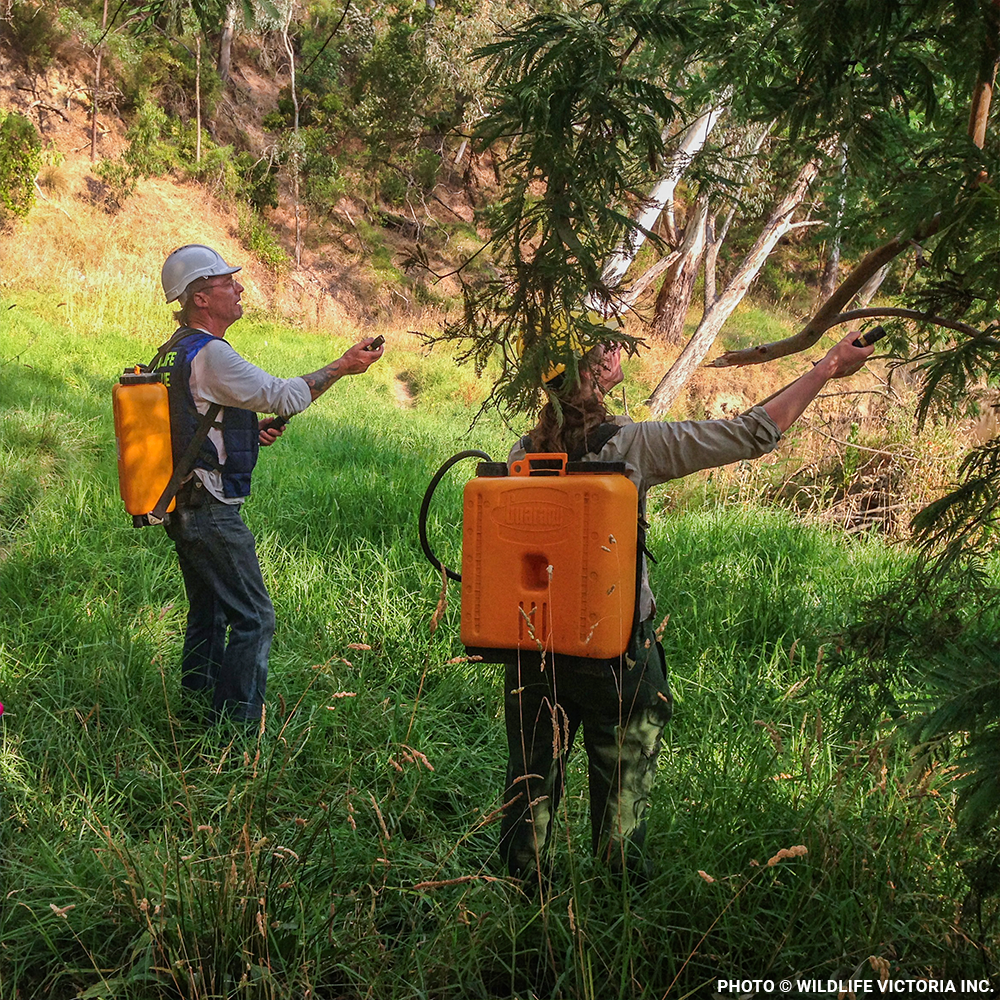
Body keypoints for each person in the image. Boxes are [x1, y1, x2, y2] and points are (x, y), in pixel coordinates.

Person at [500, 330, 875, 879]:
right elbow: (752, 433)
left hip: (533, 650)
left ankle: (520, 905)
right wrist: (827, 367)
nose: (618, 350)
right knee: (623, 809)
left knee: (527, 788)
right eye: (607, 345)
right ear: (597, 370)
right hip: (618, 658)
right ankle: (618, 906)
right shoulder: (632, 445)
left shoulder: (523, 453)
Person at [154, 244, 384, 727]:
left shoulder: (175, 349)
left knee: (210, 614)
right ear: (200, 298)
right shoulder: (211, 354)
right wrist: (342, 366)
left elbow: (192, 420)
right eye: (226, 283)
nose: (238, 289)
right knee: (255, 619)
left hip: (183, 503)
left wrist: (245, 433)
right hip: (211, 510)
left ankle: (197, 713)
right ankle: (236, 737)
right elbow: (286, 395)